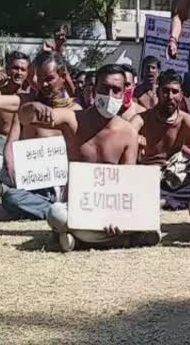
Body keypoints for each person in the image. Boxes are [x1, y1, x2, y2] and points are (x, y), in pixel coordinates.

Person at [18, 64, 152, 251]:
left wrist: (117, 215)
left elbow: (126, 183)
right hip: (75, 207)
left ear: (124, 93)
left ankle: (80, 238)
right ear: (94, 89)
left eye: (116, 90)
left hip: (110, 207)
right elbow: (25, 118)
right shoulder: (72, 120)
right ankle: (116, 240)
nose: (110, 95)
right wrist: (32, 107)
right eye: (105, 89)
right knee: (56, 213)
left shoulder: (129, 133)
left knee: (150, 221)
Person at [0, 52, 79, 220]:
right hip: (33, 185)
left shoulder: (76, 111)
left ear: (63, 77)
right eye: (40, 79)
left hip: (64, 185)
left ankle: (60, 209)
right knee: (10, 198)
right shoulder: (26, 102)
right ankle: (54, 211)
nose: (44, 84)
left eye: (49, 78)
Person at [129, 70, 190, 210]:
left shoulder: (188, 122)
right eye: (165, 91)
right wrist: (133, 140)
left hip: (173, 178)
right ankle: (163, 199)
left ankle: (164, 200)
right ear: (158, 92)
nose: (170, 96)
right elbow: (123, 139)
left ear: (181, 95)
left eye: (175, 92)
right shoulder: (141, 119)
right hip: (147, 175)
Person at [0, 51, 31, 197]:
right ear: (7, 69)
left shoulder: (30, 96)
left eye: (23, 69)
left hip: (20, 148)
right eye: (15, 68)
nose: (19, 73)